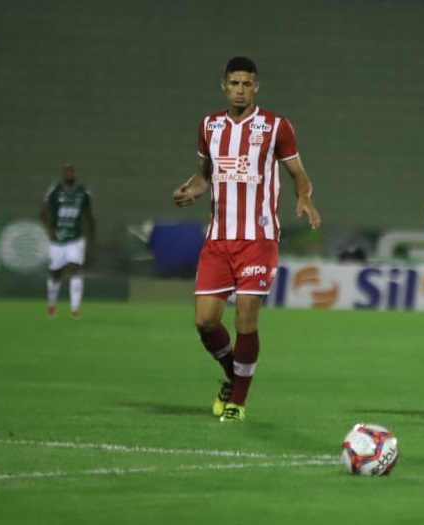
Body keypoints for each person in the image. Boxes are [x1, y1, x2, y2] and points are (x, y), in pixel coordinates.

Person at [171, 56, 322, 423]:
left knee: (245, 320)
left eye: (246, 84)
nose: (240, 89)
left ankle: (238, 401)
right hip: (218, 240)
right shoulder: (209, 126)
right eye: (233, 83)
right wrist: (191, 190)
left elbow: (298, 173)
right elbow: (205, 175)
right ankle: (234, 374)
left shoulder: (275, 127)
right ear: (223, 86)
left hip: (259, 238)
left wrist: (304, 196)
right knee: (205, 322)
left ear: (256, 87)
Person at [40, 163, 95, 319]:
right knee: (55, 273)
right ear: (63, 175)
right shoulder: (55, 191)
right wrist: (49, 229)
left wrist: (91, 236)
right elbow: (42, 212)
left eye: (73, 172)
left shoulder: (83, 193)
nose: (70, 174)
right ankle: (52, 305)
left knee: (75, 268)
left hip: (76, 238)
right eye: (67, 172)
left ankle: (75, 309)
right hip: (58, 239)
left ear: (76, 175)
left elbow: (89, 216)